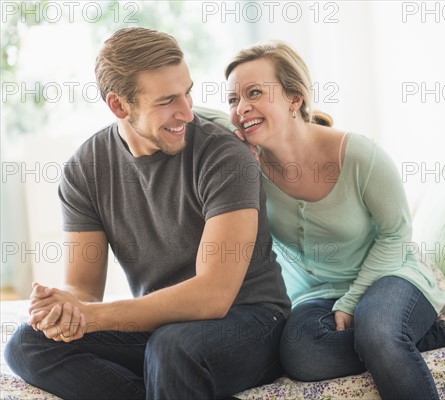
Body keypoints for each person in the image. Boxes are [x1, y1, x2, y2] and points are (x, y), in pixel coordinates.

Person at [4, 28, 291, 400]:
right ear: (119, 106)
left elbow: (213, 296)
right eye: (168, 100)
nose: (187, 112)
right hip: (164, 329)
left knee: (173, 348)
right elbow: (84, 288)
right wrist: (64, 308)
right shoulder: (86, 169)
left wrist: (92, 317)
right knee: (29, 343)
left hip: (250, 320)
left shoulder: (225, 157)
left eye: (187, 92)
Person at [220, 41, 445, 400]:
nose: (241, 108)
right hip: (318, 293)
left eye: (255, 93)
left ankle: (400, 334)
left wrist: (352, 302)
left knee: (378, 333)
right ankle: (439, 334)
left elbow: (397, 234)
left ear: (294, 98)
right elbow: (185, 116)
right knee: (303, 355)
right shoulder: (248, 161)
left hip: (391, 273)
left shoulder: (358, 155)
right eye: (232, 100)